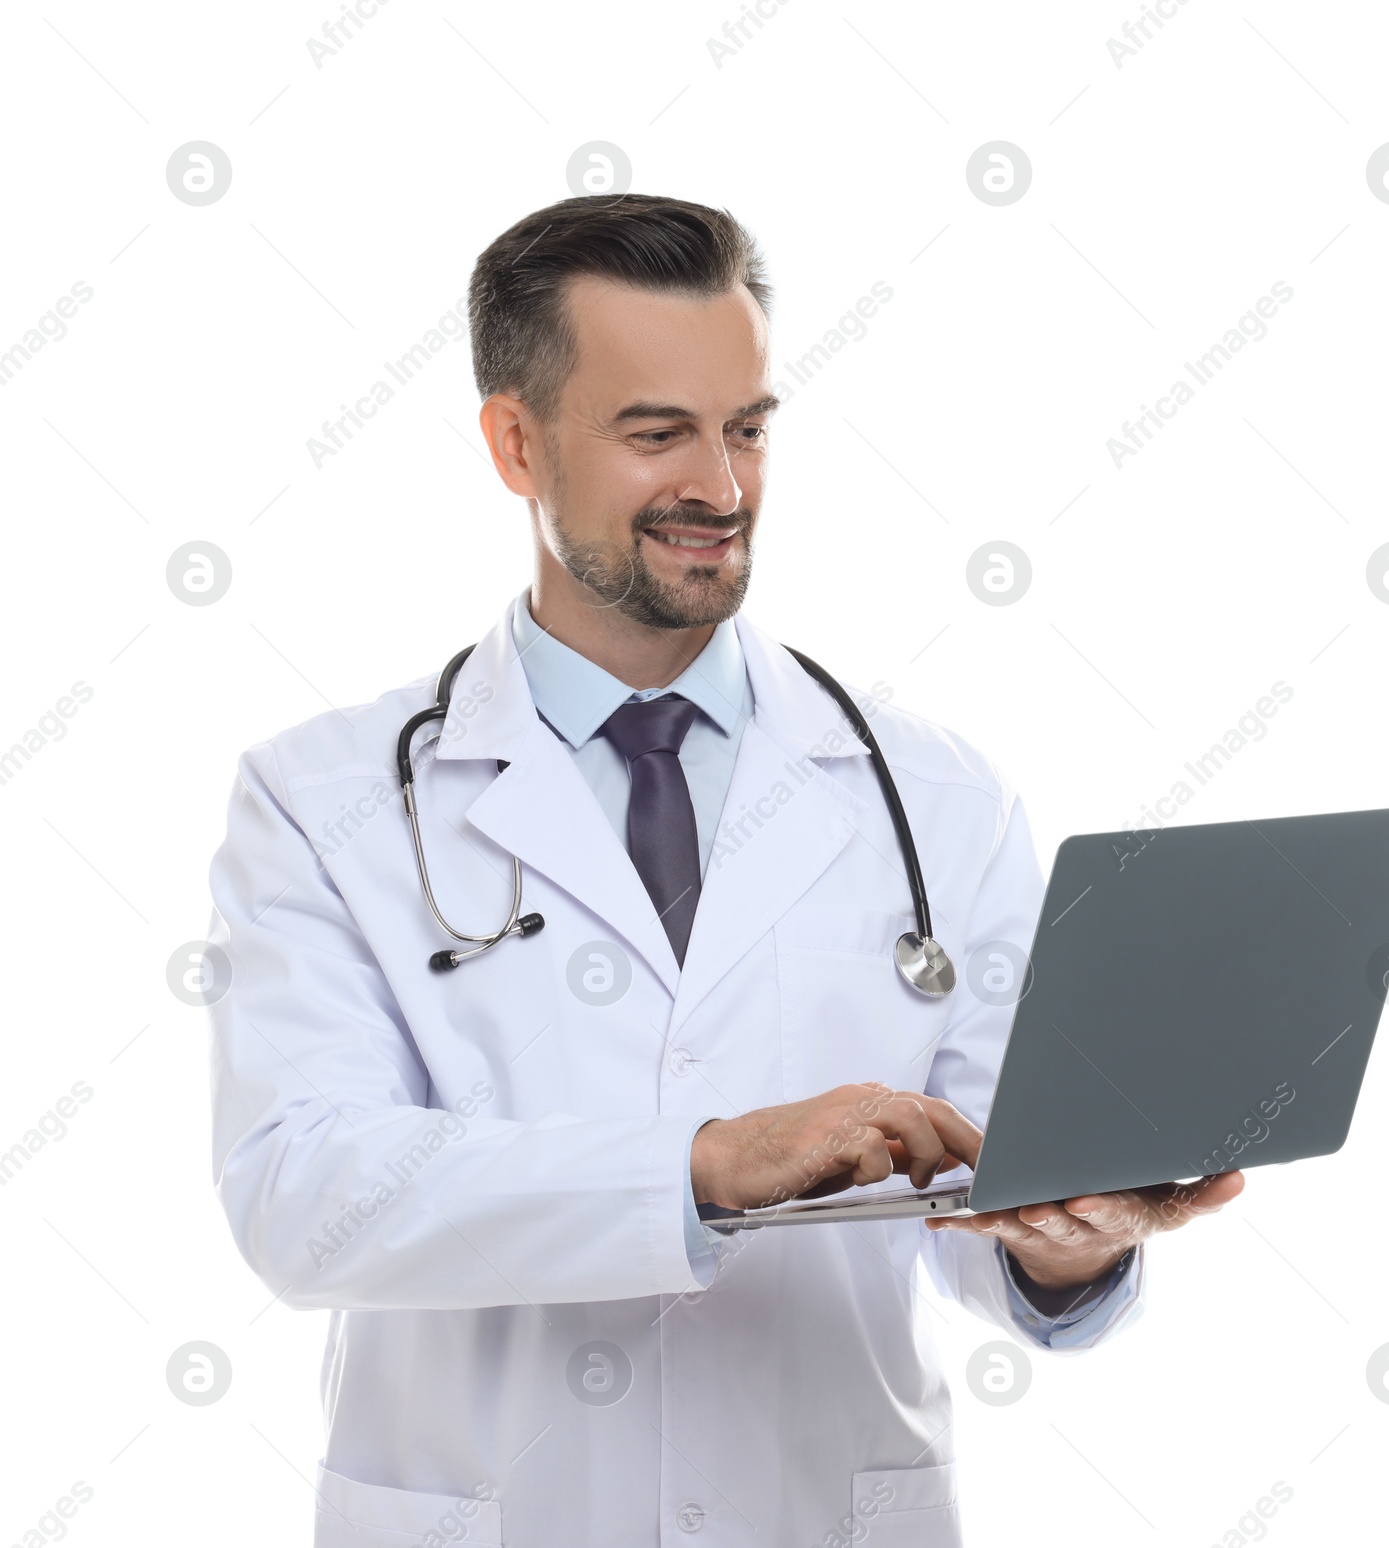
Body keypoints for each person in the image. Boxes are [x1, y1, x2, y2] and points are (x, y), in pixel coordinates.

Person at [207, 193, 1242, 1548]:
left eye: (746, 426)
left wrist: (1078, 1240)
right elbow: (303, 1198)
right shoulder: (325, 798)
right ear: (517, 443)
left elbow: (992, 1203)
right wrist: (700, 1167)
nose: (723, 486)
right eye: (658, 434)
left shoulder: (939, 795)